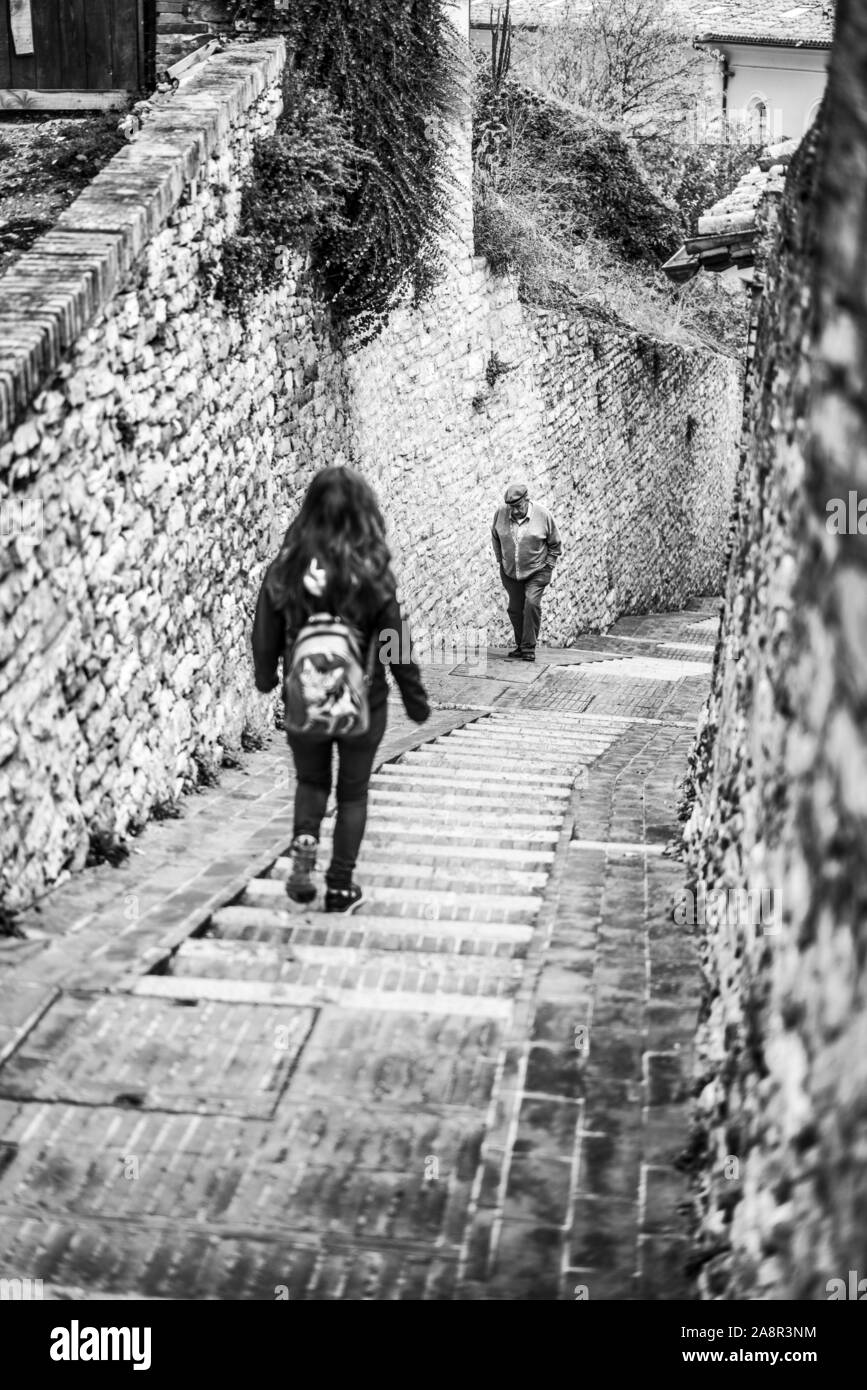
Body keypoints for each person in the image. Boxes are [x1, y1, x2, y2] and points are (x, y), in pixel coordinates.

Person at [252, 466, 430, 914]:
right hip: (363, 702)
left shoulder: (287, 567)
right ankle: (339, 885)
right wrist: (414, 698)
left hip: (305, 698)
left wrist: (267, 678)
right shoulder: (370, 571)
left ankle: (305, 842)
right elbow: (394, 641)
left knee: (312, 782)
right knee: (352, 793)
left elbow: (264, 633)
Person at [491, 482, 562, 661]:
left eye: (518, 506)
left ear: (527, 500)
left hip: (537, 570)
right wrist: (501, 560)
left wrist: (549, 566)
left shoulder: (543, 514)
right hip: (510, 572)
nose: (514, 511)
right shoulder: (501, 514)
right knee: (515, 609)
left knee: (531, 603)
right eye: (511, 507)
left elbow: (555, 544)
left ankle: (529, 648)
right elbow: (495, 537)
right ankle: (520, 646)